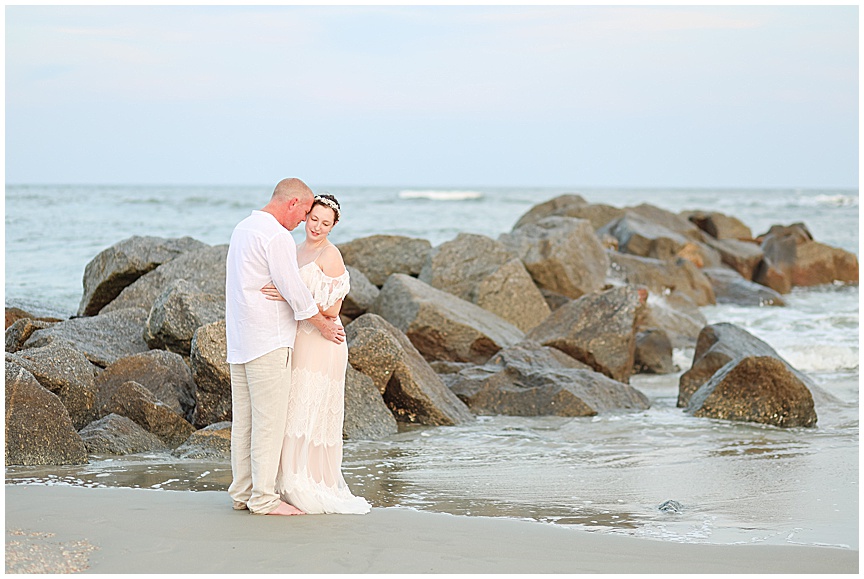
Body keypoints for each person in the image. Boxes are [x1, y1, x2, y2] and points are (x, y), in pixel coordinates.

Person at [225, 178, 345, 517]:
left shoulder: (243, 228)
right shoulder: (276, 235)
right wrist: (324, 325)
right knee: (268, 422)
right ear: (292, 204)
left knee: (245, 422)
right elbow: (292, 288)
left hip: (241, 339)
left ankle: (243, 492)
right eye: (306, 212)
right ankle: (263, 499)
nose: (303, 221)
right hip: (268, 340)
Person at [260, 194, 371, 514]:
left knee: (312, 407)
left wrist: (288, 297)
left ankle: (309, 481)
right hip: (298, 337)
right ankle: (285, 480)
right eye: (313, 219)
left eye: (325, 223)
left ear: (334, 226)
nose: (317, 227)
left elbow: (333, 308)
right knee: (292, 406)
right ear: (305, 217)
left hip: (324, 341)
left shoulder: (331, 255)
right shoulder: (294, 251)